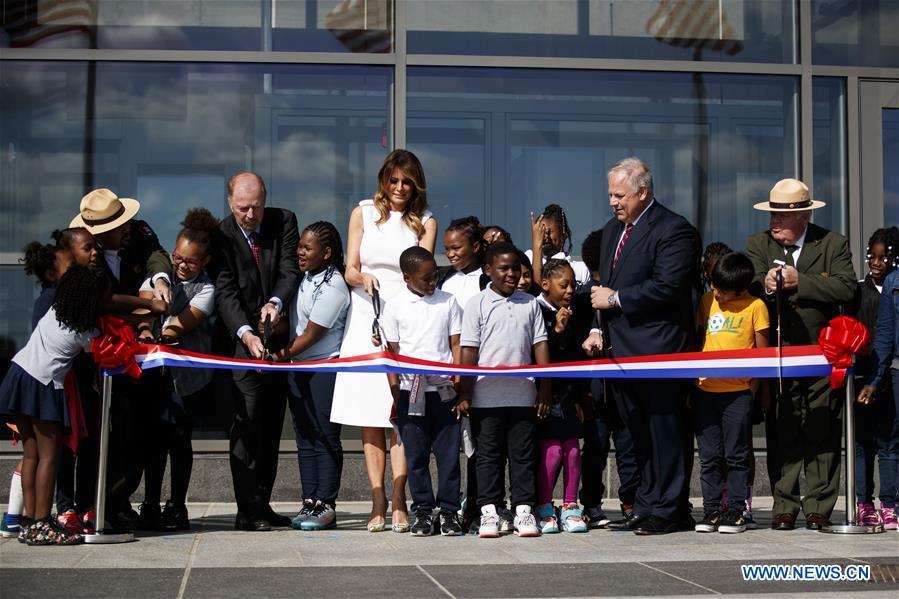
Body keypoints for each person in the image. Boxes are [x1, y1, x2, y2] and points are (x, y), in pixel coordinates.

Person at [590, 157, 698, 535]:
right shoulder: (611, 230)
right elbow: (600, 291)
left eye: (620, 195)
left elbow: (668, 287)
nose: (613, 202)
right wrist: (598, 326)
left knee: (665, 431)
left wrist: (617, 299)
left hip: (660, 351)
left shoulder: (673, 229)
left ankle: (671, 509)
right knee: (638, 435)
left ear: (643, 192)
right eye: (610, 195)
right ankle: (647, 504)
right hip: (620, 353)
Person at [331, 149, 437, 533]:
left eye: (407, 182)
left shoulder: (426, 222)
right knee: (369, 414)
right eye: (393, 181)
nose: (399, 188)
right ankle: (377, 497)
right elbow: (349, 268)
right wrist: (362, 279)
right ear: (383, 180)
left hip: (406, 319)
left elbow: (424, 277)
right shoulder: (361, 213)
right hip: (365, 317)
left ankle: (399, 497)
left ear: (415, 185)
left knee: (401, 414)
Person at [746, 178, 857, 530]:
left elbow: (846, 287)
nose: (774, 222)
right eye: (772, 214)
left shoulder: (832, 243)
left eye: (782, 216)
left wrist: (800, 281)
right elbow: (748, 280)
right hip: (780, 353)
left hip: (824, 353)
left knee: (823, 428)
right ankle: (784, 504)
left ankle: (819, 506)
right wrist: (765, 282)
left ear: (804, 216)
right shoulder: (758, 244)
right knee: (784, 428)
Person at [69, 188, 174, 531]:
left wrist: (159, 281)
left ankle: (118, 501)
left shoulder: (138, 234)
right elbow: (103, 305)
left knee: (133, 436)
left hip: (131, 362)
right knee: (95, 439)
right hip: (92, 363)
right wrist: (145, 314)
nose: (126, 226)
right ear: (99, 234)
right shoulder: (84, 255)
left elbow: (157, 254)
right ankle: (87, 505)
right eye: (118, 224)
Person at [212, 172, 300, 531]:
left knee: (270, 427)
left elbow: (289, 269)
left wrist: (277, 303)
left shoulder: (284, 220)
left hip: (278, 342)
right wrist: (248, 335)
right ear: (230, 203)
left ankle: (263, 503)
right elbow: (225, 291)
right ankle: (245, 508)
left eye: (257, 206)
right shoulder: (221, 236)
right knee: (246, 426)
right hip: (241, 344)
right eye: (243, 208)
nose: (251, 215)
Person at [458, 242, 551, 539]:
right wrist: (465, 393)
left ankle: (523, 510)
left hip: (523, 396)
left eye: (516, 269)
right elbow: (469, 351)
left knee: (523, 455)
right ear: (488, 270)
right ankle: (489, 511)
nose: (512, 274)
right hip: (485, 398)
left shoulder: (530, 303)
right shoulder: (476, 304)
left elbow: (540, 346)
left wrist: (545, 389)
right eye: (504, 268)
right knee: (488, 456)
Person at [136, 208, 219, 531]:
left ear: (205, 261)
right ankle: (150, 502)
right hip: (153, 376)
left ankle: (177, 505)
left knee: (179, 442)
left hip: (187, 378)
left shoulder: (206, 289)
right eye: (178, 257)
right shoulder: (160, 275)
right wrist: (147, 323)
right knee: (153, 441)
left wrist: (158, 328)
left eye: (191, 261)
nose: (182, 265)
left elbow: (178, 327)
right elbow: (144, 308)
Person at [381, 246, 465, 537]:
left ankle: (451, 511)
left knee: (448, 455)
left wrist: (459, 384)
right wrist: (395, 393)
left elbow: (456, 345)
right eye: (426, 278)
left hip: (443, 391)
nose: (433, 283)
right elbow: (390, 354)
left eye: (436, 277)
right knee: (416, 457)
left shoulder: (449, 302)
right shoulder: (394, 306)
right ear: (407, 278)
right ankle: (423, 512)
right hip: (410, 391)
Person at [273, 221, 350, 532]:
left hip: (323, 369)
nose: (299, 252)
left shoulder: (334, 286)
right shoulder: (304, 279)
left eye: (307, 248)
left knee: (325, 436)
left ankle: (326, 503)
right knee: (304, 438)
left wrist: (278, 356)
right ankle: (310, 500)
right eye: (300, 246)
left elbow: (313, 334)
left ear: (327, 252)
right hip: (299, 368)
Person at [692, 252, 770, 534]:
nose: (716, 293)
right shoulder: (706, 302)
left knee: (736, 455)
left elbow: (762, 354)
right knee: (710, 456)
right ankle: (711, 510)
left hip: (738, 393)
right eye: (713, 286)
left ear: (740, 289)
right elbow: (701, 340)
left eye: (722, 290)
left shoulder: (756, 306)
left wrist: (753, 390)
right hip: (705, 389)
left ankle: (736, 511)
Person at [575, 229, 639, 529]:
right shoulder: (580, 297)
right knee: (596, 448)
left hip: (625, 385)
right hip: (593, 389)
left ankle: (630, 500)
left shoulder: (628, 292)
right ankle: (590, 503)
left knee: (628, 447)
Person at [534, 259, 589, 534]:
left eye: (573, 285)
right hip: (545, 396)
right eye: (563, 284)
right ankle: (544, 506)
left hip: (568, 394)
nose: (570, 290)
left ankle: (570, 506)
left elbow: (575, 358)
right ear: (546, 284)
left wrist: (580, 397)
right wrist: (556, 331)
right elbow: (541, 354)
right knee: (552, 451)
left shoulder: (573, 312)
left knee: (573, 451)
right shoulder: (537, 310)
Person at [854, 227, 899, 530]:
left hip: (889, 371)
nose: (877, 262)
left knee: (889, 441)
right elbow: (880, 335)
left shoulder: (893, 286)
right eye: (872, 255)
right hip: (864, 373)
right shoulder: (858, 290)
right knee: (863, 441)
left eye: (884, 257)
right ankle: (863, 501)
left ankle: (889, 503)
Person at [528, 204, 590, 286]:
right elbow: (535, 290)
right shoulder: (527, 259)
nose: (544, 237)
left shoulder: (580, 269)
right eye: (540, 233)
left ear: (563, 234)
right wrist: (537, 247)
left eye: (548, 232)